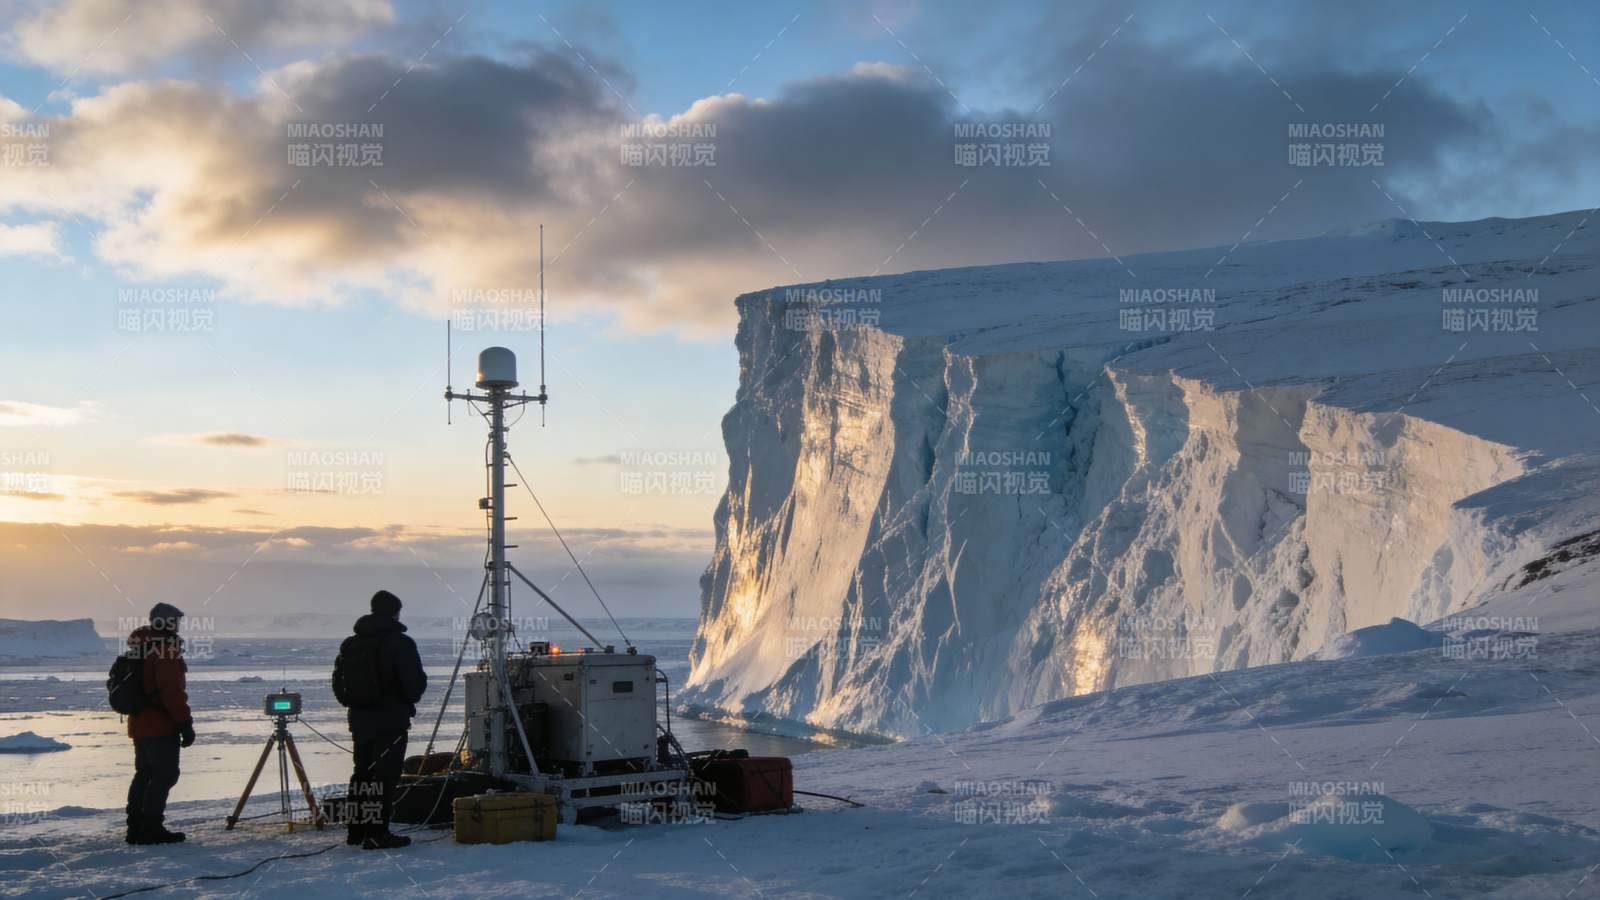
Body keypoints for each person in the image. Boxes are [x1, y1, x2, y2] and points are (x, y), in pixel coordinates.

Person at [334, 589, 427, 850]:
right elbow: (413, 684)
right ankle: (377, 833)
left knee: (361, 774)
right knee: (384, 777)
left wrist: (356, 705)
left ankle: (357, 831)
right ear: (396, 612)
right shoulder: (401, 643)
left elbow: (338, 684)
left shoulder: (351, 643)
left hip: (360, 721)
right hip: (390, 720)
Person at [124, 602, 196, 845]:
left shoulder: (139, 645)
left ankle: (135, 827)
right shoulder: (164, 649)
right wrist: (185, 723)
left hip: (139, 724)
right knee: (164, 774)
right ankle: (151, 828)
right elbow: (171, 692)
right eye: (175, 621)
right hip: (160, 726)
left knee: (145, 774)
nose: (178, 626)